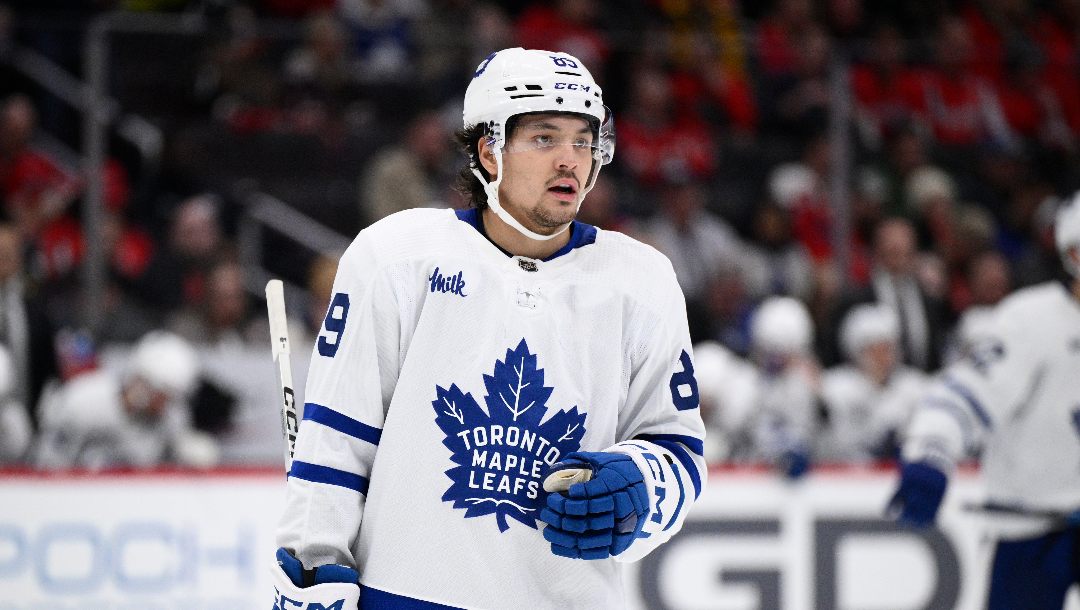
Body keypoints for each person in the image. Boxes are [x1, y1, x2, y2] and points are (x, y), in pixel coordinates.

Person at [272, 48, 708, 609]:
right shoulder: (397, 257)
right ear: (489, 150)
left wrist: (641, 486)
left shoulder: (640, 280)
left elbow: (678, 450)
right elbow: (337, 437)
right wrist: (312, 566)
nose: (570, 160)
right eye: (545, 139)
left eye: (583, 140)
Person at [887, 191, 1080, 609]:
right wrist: (932, 453)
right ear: (1073, 254)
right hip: (1030, 533)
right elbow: (966, 396)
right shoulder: (1032, 322)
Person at [33, 330, 219, 470]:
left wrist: (189, 455)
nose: (167, 406)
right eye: (165, 397)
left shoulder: (172, 417)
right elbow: (47, 464)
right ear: (145, 385)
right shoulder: (81, 401)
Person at [817, 303, 927, 463]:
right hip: (848, 479)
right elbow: (825, 446)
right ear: (856, 351)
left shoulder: (914, 386)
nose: (883, 358)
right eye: (874, 350)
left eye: (887, 348)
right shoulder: (834, 387)